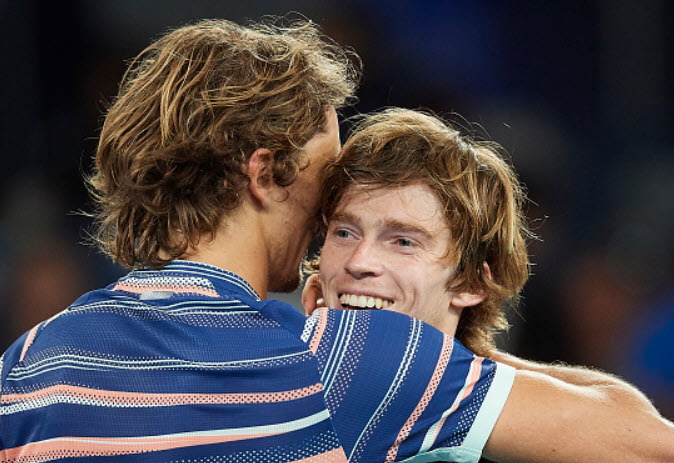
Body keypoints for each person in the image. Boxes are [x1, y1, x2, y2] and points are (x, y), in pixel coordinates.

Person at [2, 19, 515, 463]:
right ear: (265, 175)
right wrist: (445, 358)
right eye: (323, 182)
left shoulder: (24, 365)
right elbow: (597, 422)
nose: (320, 220)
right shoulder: (329, 359)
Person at [301, 108, 674, 462]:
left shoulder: (404, 378)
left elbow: (626, 414)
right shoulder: (378, 375)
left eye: (403, 242)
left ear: (471, 281)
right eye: (345, 232)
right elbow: (657, 444)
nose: (358, 262)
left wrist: (456, 361)